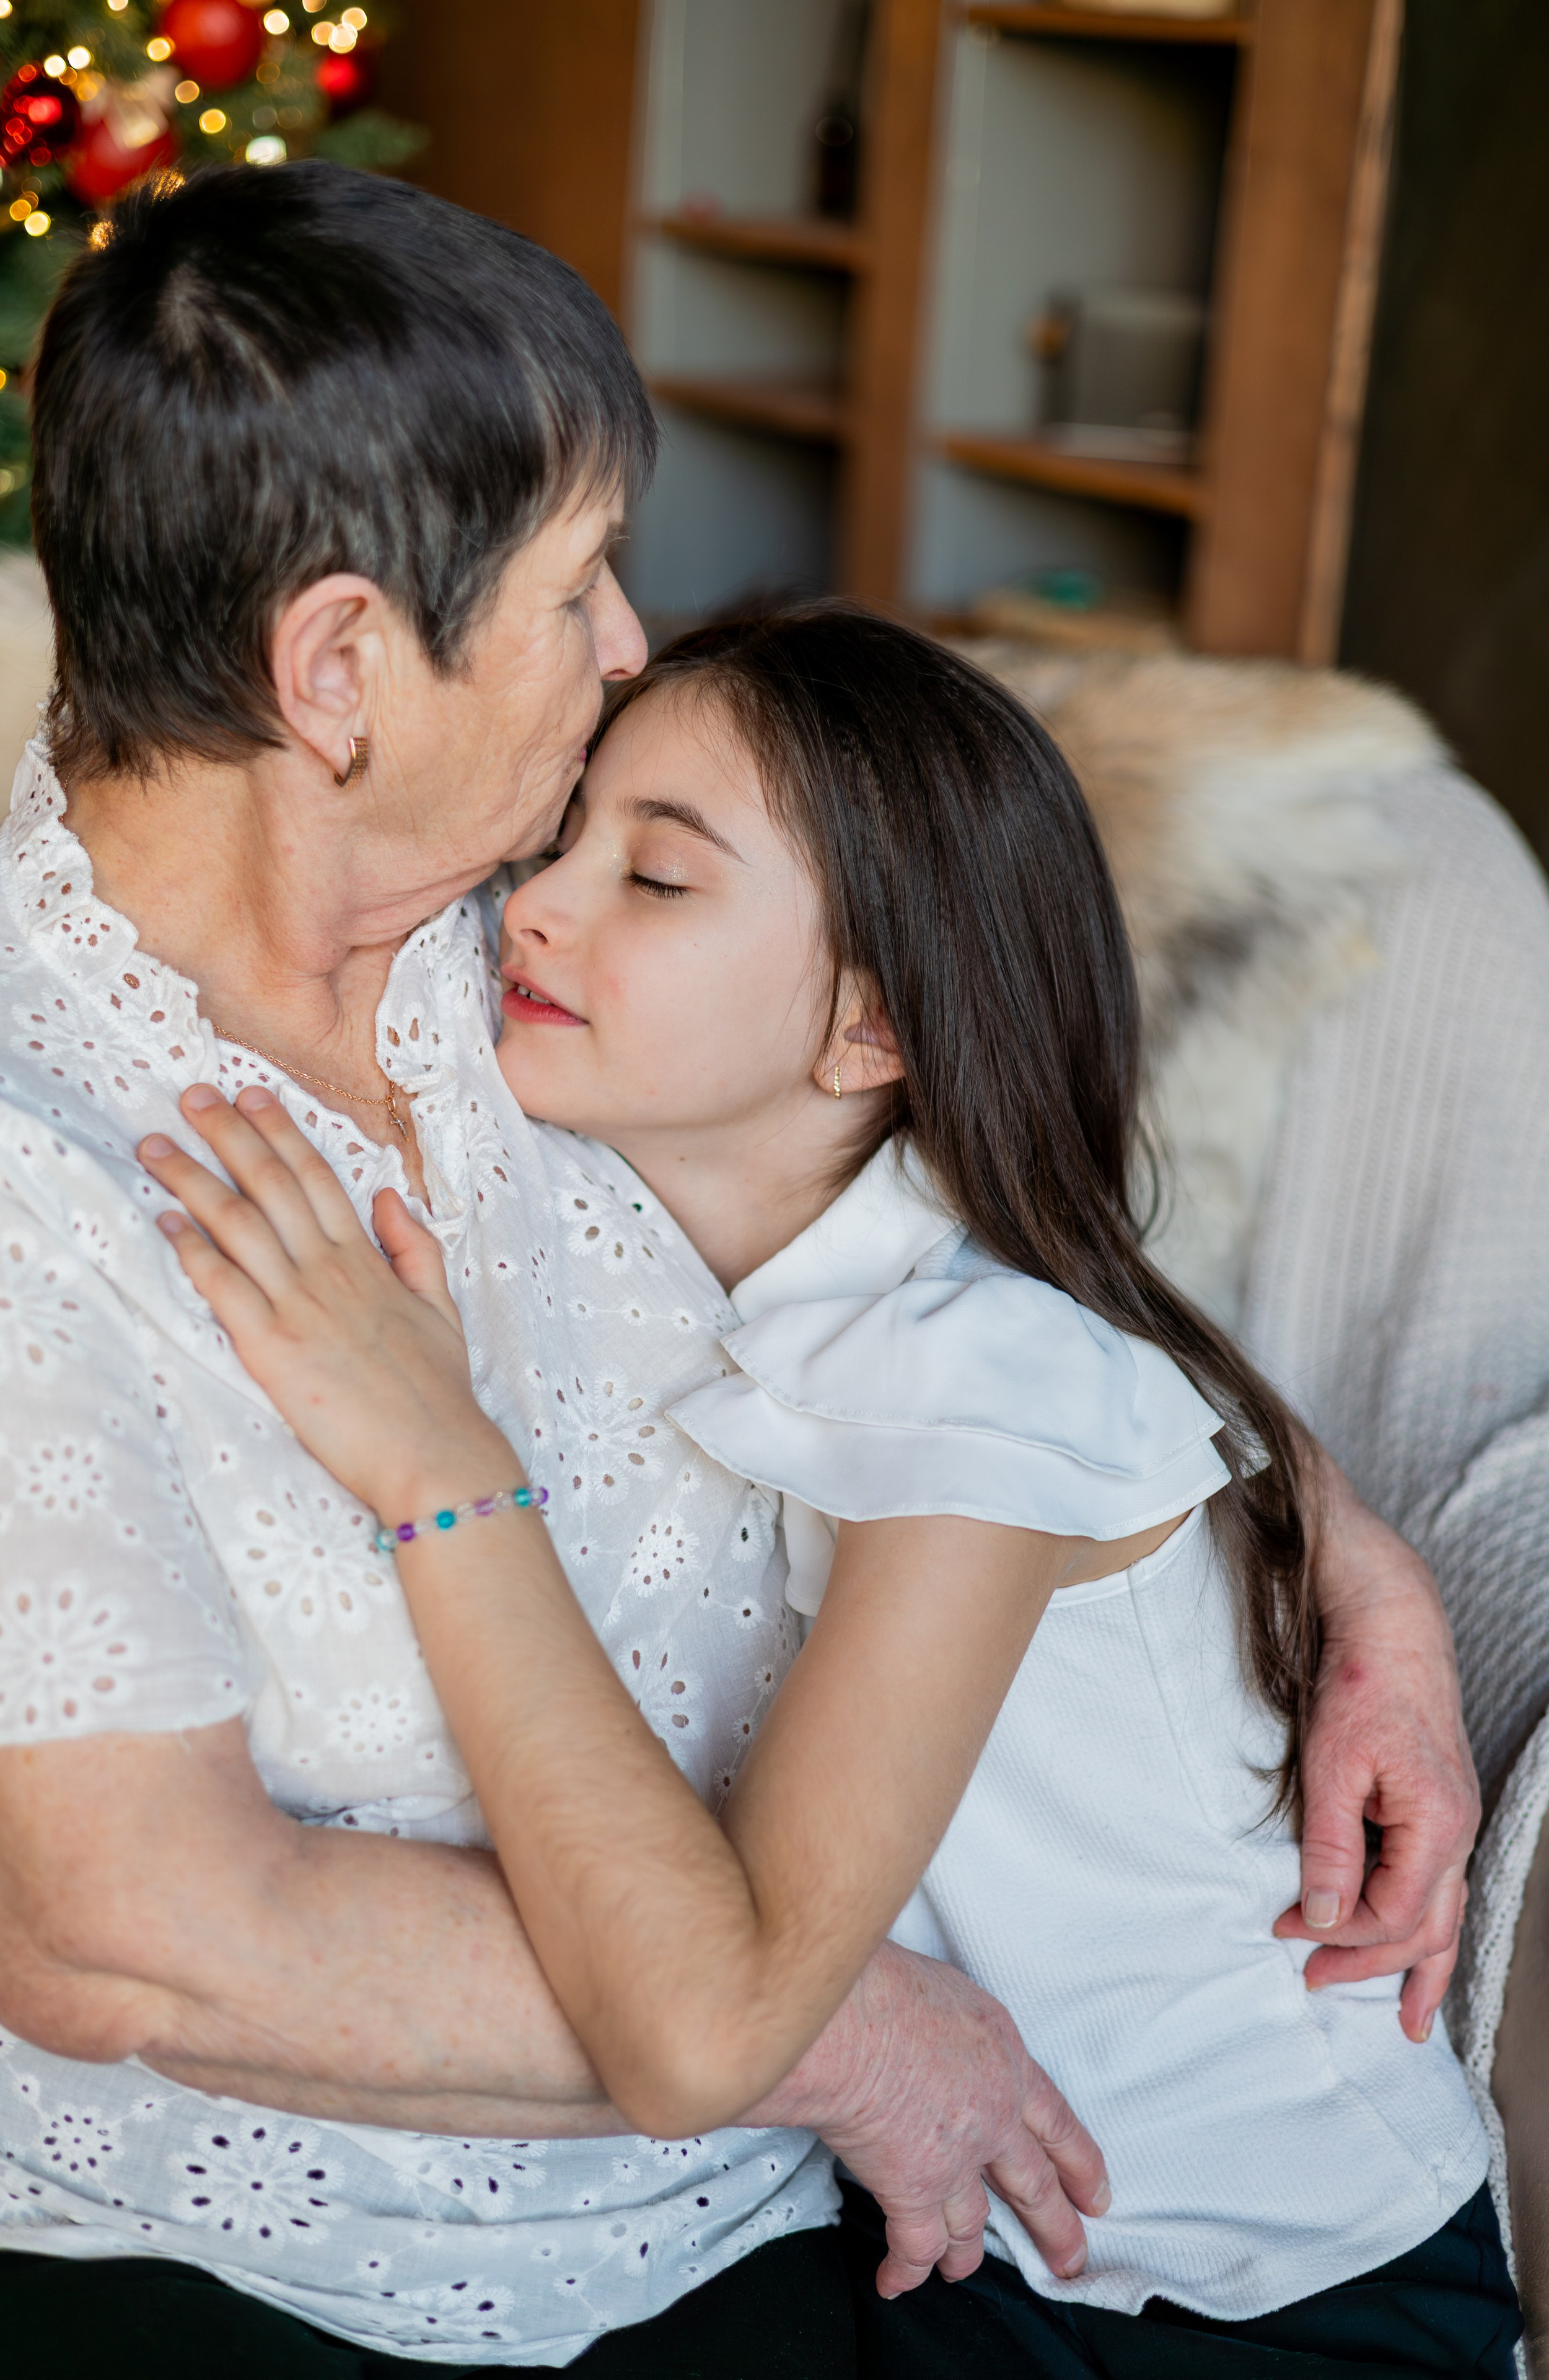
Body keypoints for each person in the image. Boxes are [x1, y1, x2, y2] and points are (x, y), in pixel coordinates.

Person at [0, 164, 1475, 2373]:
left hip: (840, 2200)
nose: (627, 648)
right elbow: (125, 1933)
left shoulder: (531, 924)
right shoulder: (21, 1160)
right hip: (298, 2273)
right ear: (341, 670)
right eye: (578, 585)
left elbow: (1000, 1245)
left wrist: (1358, 1577)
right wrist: (832, 2029)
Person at [140, 604, 1522, 2377]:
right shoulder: (687, 1236)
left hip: (1279, 2306)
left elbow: (710, 2015)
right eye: (562, 838)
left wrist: (440, 1468)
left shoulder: (980, 1385)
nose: (536, 906)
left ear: (869, 1024)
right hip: (992, 2232)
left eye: (660, 881)